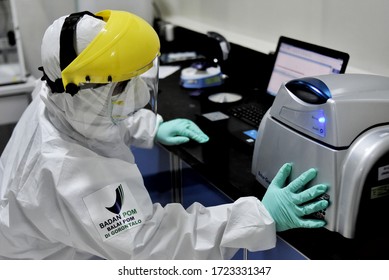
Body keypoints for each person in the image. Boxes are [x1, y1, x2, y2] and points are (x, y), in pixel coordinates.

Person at [0, 10, 329, 260]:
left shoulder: (54, 95)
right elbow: (151, 246)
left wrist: (150, 126)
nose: (140, 92)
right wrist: (259, 216)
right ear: (84, 88)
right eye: (124, 84)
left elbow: (92, 119)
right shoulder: (73, 173)